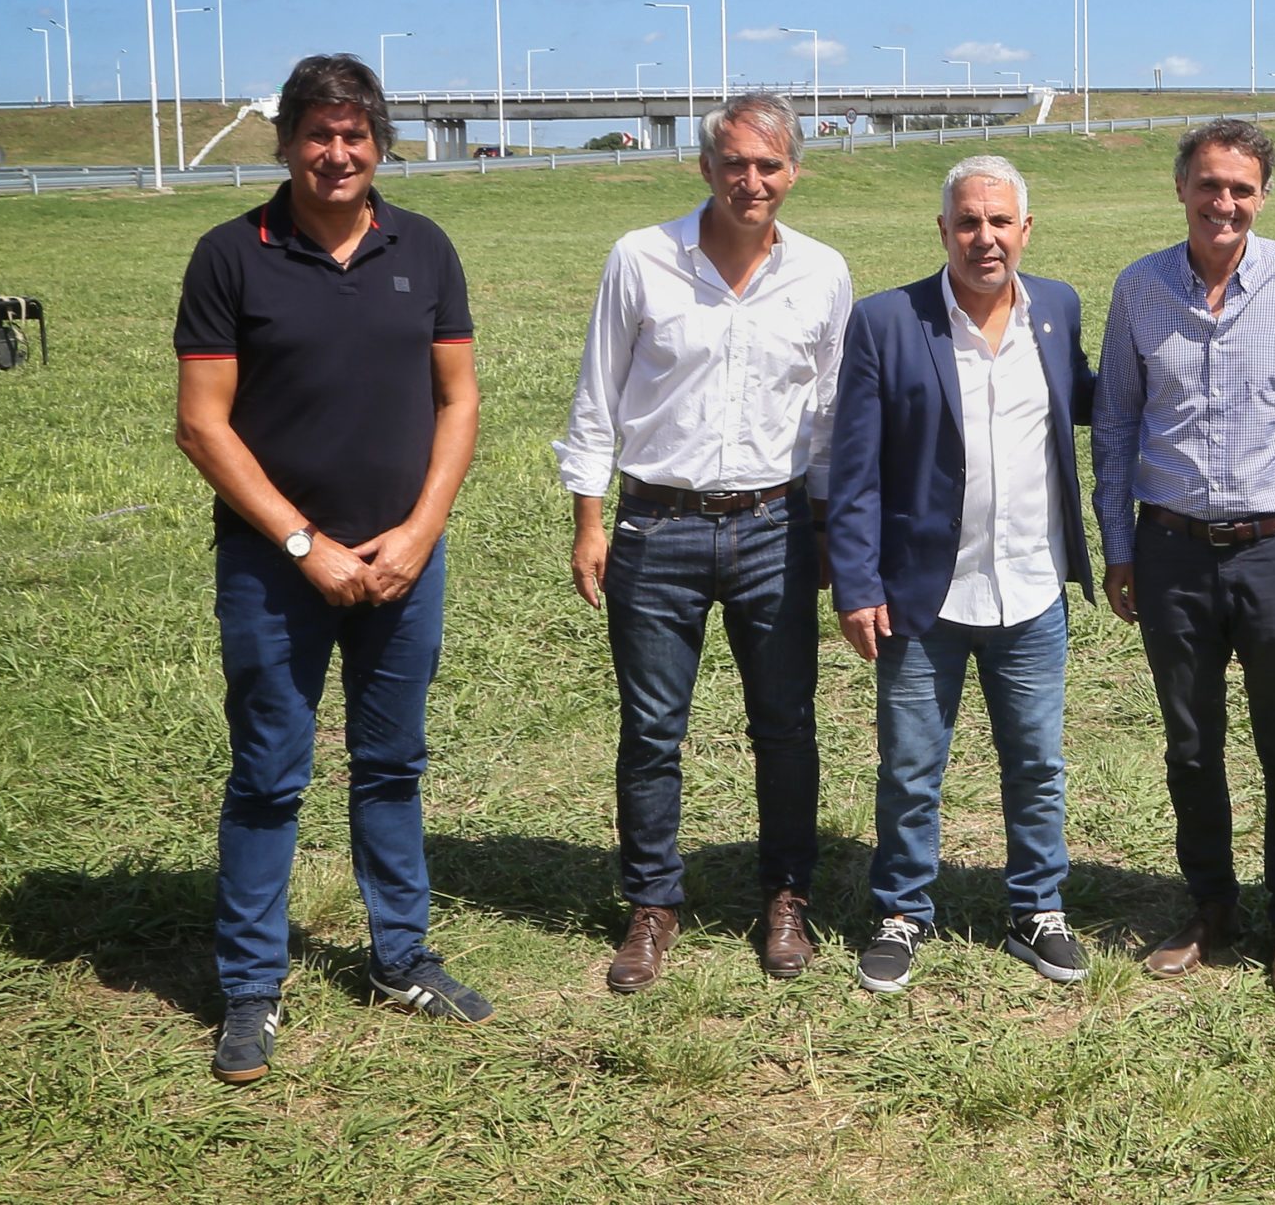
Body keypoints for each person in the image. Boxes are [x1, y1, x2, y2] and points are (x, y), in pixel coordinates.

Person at [174, 53, 489, 1085]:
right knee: (270, 773)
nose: (338, 153)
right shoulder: (232, 255)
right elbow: (203, 425)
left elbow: (458, 400)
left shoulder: (423, 247)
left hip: (404, 562)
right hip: (276, 568)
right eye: (319, 134)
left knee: (392, 765)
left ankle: (401, 957)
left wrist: (421, 530)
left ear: (379, 144)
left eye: (355, 135)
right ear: (287, 144)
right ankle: (250, 985)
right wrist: (304, 544)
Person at [555, 92, 853, 994]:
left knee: (785, 725)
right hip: (656, 527)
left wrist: (829, 531)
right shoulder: (640, 258)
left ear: (793, 171)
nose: (749, 181)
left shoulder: (823, 273)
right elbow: (597, 396)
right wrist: (589, 521)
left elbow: (830, 418)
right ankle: (652, 903)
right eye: (734, 163)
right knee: (652, 729)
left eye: (768, 165)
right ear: (705, 167)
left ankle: (787, 896)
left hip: (776, 528)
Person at [1093, 118, 1275, 999]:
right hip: (1171, 550)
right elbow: (1116, 423)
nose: (1224, 202)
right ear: (1181, 188)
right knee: (1191, 741)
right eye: (1209, 184)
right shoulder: (1139, 287)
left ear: (1264, 196)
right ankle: (1210, 907)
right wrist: (1119, 545)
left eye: (1242, 188)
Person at [826, 155, 1096, 994]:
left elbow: (1091, 401)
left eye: (1000, 221)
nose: (986, 238)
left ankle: (1037, 908)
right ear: (943, 230)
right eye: (969, 222)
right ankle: (902, 913)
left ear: (1026, 229)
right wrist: (856, 584)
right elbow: (855, 469)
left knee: (1037, 763)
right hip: (921, 595)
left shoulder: (1056, 310)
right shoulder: (886, 321)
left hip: (1031, 585)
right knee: (911, 768)